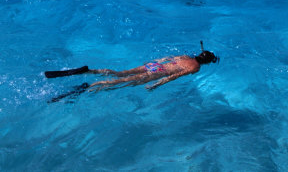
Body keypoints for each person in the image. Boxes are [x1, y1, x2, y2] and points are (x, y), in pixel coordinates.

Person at [45, 41, 219, 102]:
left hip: (152, 66)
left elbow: (166, 59)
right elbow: (175, 75)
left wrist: (152, 64)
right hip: (155, 73)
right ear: (206, 62)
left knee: (119, 73)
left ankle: (90, 71)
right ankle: (91, 85)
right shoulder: (194, 67)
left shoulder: (185, 56)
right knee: (118, 82)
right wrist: (157, 84)